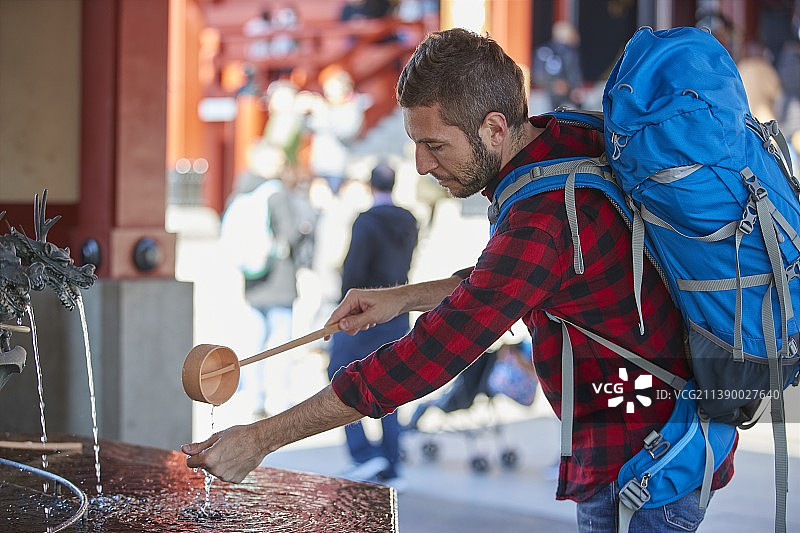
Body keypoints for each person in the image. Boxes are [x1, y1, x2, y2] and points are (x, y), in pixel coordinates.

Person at [184, 29, 736, 532]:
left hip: (649, 453)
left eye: (435, 145)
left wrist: (260, 439)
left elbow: (430, 356)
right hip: (646, 430)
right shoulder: (561, 138)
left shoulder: (542, 219)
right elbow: (518, 281)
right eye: (415, 144)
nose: (421, 165)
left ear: (494, 127)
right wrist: (401, 298)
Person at [327, 162, 418, 487]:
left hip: (364, 312)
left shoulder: (366, 221)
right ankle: (391, 461)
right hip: (397, 309)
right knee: (392, 383)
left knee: (339, 376)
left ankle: (365, 454)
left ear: (369, 185)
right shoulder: (409, 219)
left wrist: (343, 307)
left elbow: (353, 270)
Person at [533, 21, 584, 110]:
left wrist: (572, 87)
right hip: (547, 95)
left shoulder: (570, 52)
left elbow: (574, 74)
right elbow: (538, 75)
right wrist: (554, 85)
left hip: (567, 94)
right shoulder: (545, 52)